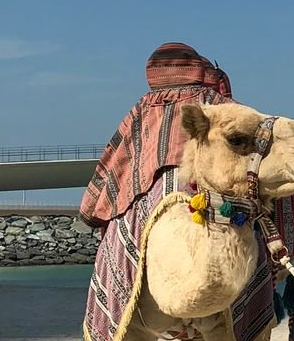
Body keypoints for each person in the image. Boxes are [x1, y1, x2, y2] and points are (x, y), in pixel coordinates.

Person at [80, 42, 233, 228]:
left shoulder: (145, 105)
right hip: (209, 192)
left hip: (149, 195)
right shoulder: (219, 104)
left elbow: (118, 155)